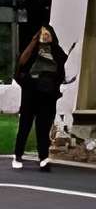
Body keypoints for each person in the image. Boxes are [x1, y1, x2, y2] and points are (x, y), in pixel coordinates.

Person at [12, 24, 68, 172]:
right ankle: (18, 156)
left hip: (47, 95)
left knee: (43, 128)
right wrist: (33, 41)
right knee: (25, 125)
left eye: (47, 33)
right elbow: (21, 63)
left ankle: (43, 157)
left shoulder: (56, 51)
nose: (45, 36)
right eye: (42, 34)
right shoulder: (33, 50)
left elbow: (62, 69)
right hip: (31, 92)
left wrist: (55, 88)